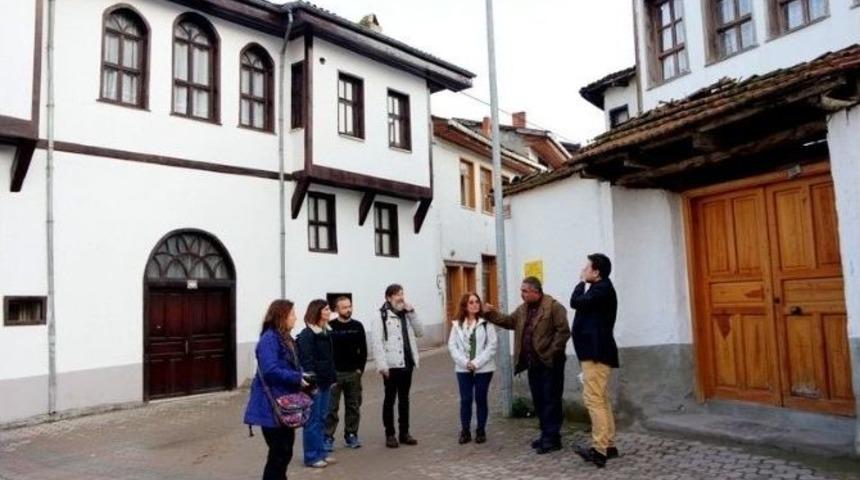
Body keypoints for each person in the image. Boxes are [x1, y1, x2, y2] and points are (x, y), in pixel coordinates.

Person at [483, 276, 571, 454]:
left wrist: (551, 352)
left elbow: (563, 332)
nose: (521, 294)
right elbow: (508, 321)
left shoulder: (554, 307)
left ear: (536, 292)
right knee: (539, 400)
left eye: (524, 291)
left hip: (550, 363)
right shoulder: (523, 310)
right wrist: (490, 313)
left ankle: (552, 439)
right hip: (533, 364)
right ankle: (546, 434)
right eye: (521, 291)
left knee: (551, 400)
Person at [244, 299, 308, 480]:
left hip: (285, 405)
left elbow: (293, 365)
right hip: (271, 405)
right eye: (292, 314)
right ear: (282, 316)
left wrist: (304, 376)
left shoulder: (285, 339)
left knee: (284, 453)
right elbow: (270, 370)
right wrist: (297, 378)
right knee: (278, 455)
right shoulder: (269, 339)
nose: (295, 318)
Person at [570, 253, 619, 469]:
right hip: (595, 352)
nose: (584, 270)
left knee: (593, 399)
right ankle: (608, 444)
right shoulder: (600, 289)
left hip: (597, 353)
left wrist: (580, 282)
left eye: (587, 267)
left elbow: (575, 302)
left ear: (596, 272)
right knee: (600, 398)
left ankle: (599, 449)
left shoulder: (601, 289)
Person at [371, 283, 423, 448]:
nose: (401, 297)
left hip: (407, 363)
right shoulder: (380, 316)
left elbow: (420, 332)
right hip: (391, 366)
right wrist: (382, 366)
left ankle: (404, 433)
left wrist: (413, 313)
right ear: (388, 298)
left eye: (402, 294)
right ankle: (390, 434)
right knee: (389, 400)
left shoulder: (406, 314)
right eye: (397, 294)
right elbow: (376, 343)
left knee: (404, 399)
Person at [447, 292, 498, 444]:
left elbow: (492, 345)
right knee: (466, 399)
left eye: (477, 301)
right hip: (463, 369)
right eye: (471, 302)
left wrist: (476, 363)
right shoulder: (457, 324)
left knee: (481, 398)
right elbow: (452, 346)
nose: (475, 304)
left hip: (484, 368)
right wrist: (465, 362)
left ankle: (481, 430)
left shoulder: (486, 323)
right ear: (465, 306)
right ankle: (465, 431)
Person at [296, 299, 338, 468]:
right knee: (312, 421)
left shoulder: (327, 332)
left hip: (326, 381)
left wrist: (333, 378)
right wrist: (311, 385)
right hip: (315, 385)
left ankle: (321, 452)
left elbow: (330, 359)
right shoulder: (307, 335)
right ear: (317, 312)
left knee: (322, 418)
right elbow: (307, 362)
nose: (329, 312)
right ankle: (311, 456)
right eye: (326, 309)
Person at [324, 296, 368, 451]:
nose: (348, 310)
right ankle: (328, 437)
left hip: (353, 373)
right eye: (344, 307)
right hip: (335, 374)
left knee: (353, 406)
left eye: (349, 306)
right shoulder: (329, 326)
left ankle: (351, 435)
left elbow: (363, 350)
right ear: (336, 309)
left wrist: (359, 370)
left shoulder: (358, 326)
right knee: (331, 408)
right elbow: (326, 351)